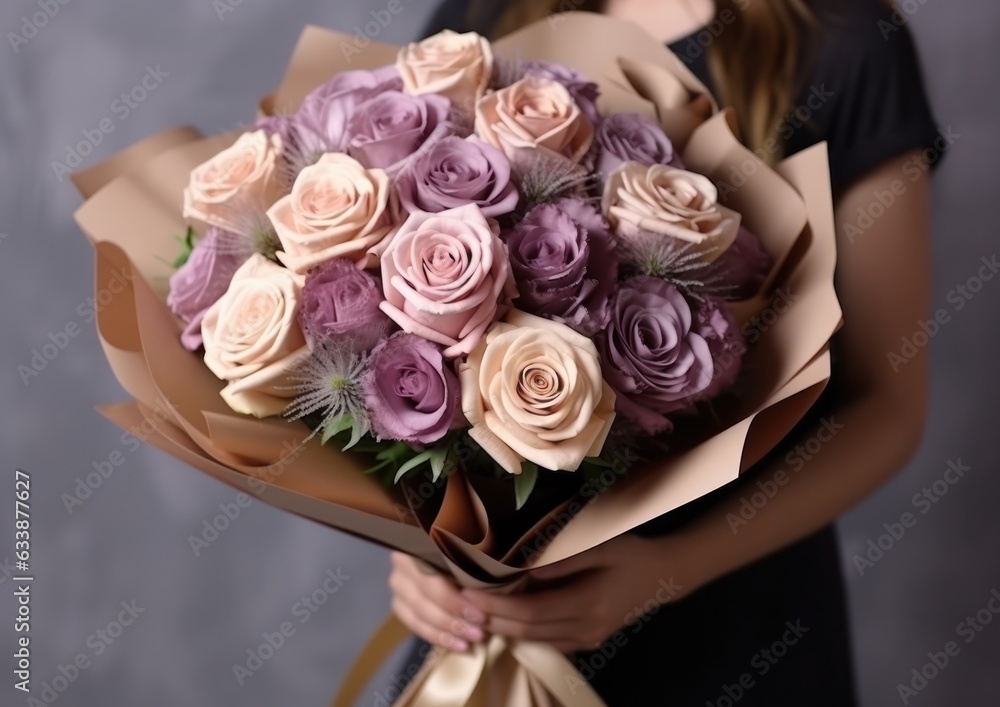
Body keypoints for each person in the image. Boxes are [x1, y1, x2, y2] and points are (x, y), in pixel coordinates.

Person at [387, 0, 943, 703]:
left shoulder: (846, 42)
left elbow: (886, 406)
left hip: (738, 626)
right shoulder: (482, 18)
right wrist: (419, 556)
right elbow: (397, 332)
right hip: (481, 639)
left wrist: (670, 569)